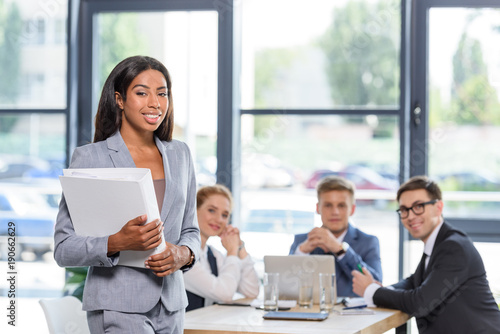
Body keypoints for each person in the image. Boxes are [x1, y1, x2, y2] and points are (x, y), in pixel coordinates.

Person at [54, 55, 200, 334]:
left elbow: (191, 229)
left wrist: (183, 254)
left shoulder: (180, 154)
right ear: (119, 99)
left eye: (162, 93)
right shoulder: (90, 158)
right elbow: (63, 248)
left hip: (172, 307)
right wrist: (115, 242)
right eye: (141, 93)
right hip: (116, 306)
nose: (155, 103)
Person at [352, 175, 500, 333]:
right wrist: (380, 289)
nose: (410, 216)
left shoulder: (453, 247)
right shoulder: (438, 243)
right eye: (404, 209)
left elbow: (420, 303)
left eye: (418, 206)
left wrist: (371, 291)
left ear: (438, 207)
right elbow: (413, 281)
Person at [289, 175, 382, 297]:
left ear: (352, 209)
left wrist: (339, 249)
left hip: (353, 315)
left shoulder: (368, 242)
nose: (335, 212)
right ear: (318, 208)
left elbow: (376, 285)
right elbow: (286, 287)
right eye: (328, 205)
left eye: (341, 206)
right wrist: (301, 253)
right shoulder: (301, 241)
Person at [183, 184, 259, 311]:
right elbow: (225, 294)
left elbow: (251, 291)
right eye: (211, 210)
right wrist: (232, 251)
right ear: (194, 210)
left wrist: (240, 247)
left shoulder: (214, 255)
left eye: (224, 215)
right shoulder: (184, 255)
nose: (219, 219)